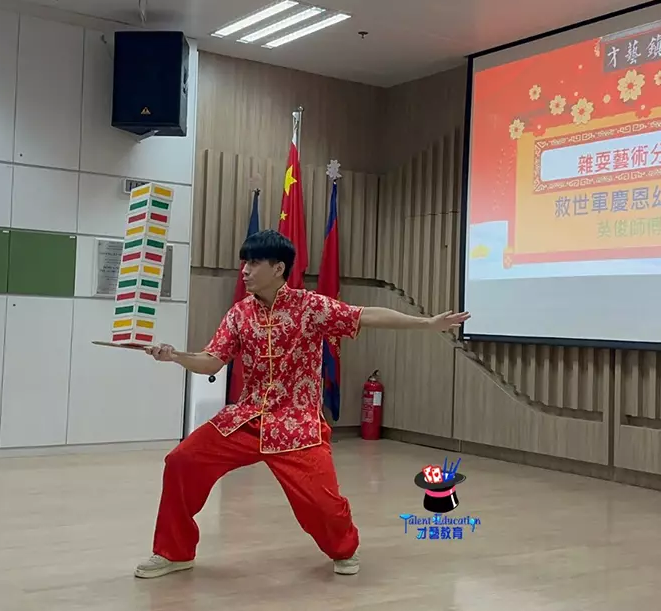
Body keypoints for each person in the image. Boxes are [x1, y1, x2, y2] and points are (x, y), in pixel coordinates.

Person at [134, 229, 469, 579]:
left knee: (322, 504)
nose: (245, 270)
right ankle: (174, 552)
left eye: (253, 263)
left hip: (297, 424)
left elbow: (364, 315)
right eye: (244, 263)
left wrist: (427, 323)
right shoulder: (239, 314)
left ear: (278, 268)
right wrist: (175, 357)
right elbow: (211, 361)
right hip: (246, 418)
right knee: (181, 461)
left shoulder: (311, 307)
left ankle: (344, 548)